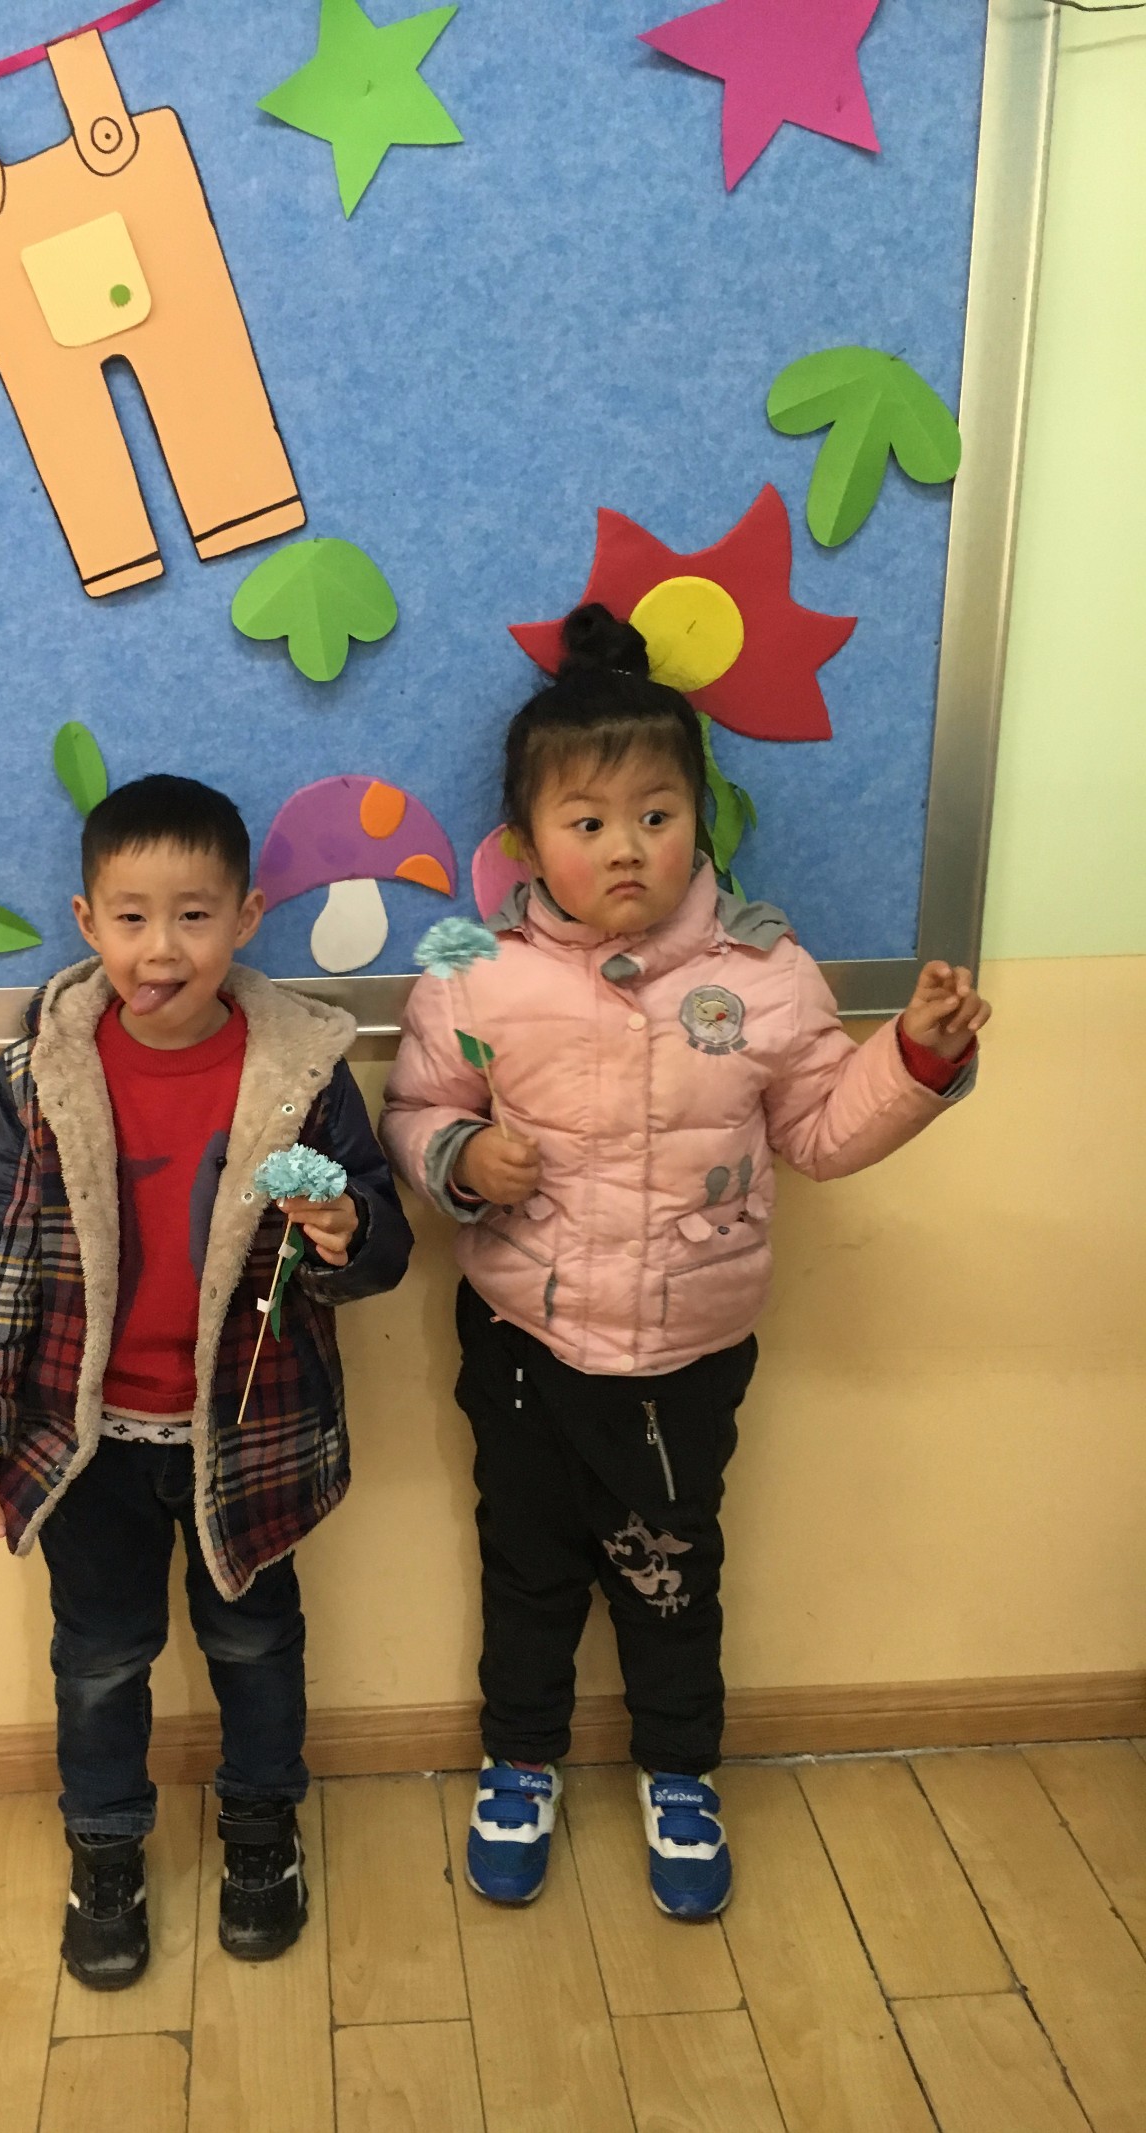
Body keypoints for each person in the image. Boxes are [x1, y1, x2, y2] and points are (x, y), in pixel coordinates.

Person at [381, 605, 989, 1919]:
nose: (625, 847)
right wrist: (461, 1157)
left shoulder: (763, 973)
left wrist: (917, 1060)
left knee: (671, 1575)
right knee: (527, 1570)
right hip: (525, 1346)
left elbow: (821, 1131)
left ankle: (679, 1772)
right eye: (588, 821)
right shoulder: (472, 973)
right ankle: (519, 1759)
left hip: (688, 1355)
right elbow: (415, 1109)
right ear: (525, 840)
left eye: (656, 815)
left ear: (699, 822)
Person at [0, 775, 412, 1987]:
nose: (162, 949)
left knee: (257, 1642)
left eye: (194, 916)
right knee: (98, 1658)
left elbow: (379, 1240)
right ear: (87, 922)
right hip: (83, 1442)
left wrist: (347, 1233)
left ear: (246, 918)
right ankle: (106, 1852)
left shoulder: (301, 1071)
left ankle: (261, 1834)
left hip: (248, 1433)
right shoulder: (38, 1080)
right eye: (132, 918)